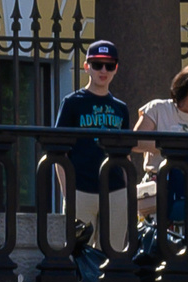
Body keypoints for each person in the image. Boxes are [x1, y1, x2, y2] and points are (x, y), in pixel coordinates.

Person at [55, 39, 131, 229]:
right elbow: (58, 152)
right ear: (87, 67)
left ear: (116, 68)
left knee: (114, 247)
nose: (103, 70)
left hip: (116, 191)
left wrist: (129, 192)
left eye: (109, 65)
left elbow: (125, 155)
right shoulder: (72, 103)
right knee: (79, 246)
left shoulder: (121, 108)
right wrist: (67, 192)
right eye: (97, 64)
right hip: (80, 189)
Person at [134, 64, 188, 226]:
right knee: (155, 236)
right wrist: (169, 146)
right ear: (183, 89)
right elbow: (136, 142)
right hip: (157, 187)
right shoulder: (158, 108)